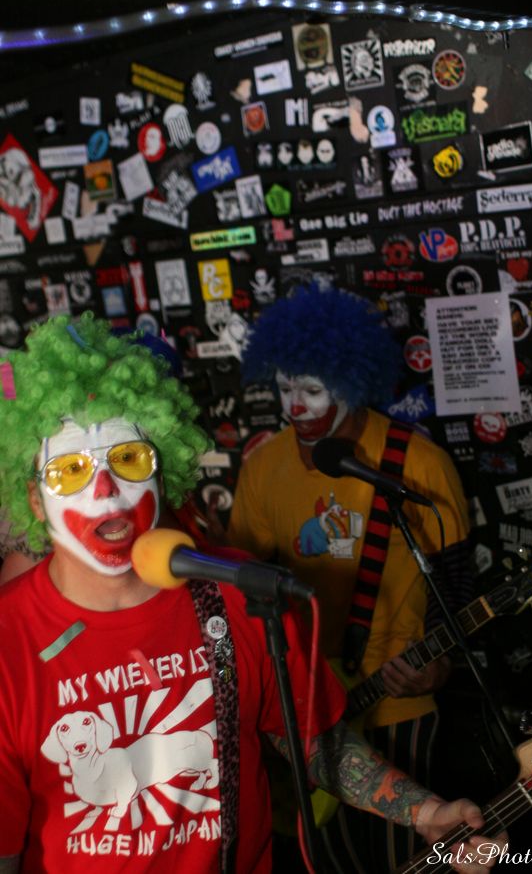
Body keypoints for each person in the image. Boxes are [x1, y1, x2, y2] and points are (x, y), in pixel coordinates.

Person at [0, 312, 501, 874]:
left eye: (128, 458)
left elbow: (312, 739)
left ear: (164, 472)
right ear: (34, 499)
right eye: (69, 470)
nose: (105, 490)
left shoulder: (232, 593)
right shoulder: (8, 642)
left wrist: (426, 812)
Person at [226, 283, 473, 871]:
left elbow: (459, 586)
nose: (295, 407)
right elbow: (241, 591)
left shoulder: (418, 464)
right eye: (285, 388)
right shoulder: (262, 467)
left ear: (352, 383)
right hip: (310, 713)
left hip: (399, 708)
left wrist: (439, 664)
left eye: (312, 390)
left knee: (409, 860)